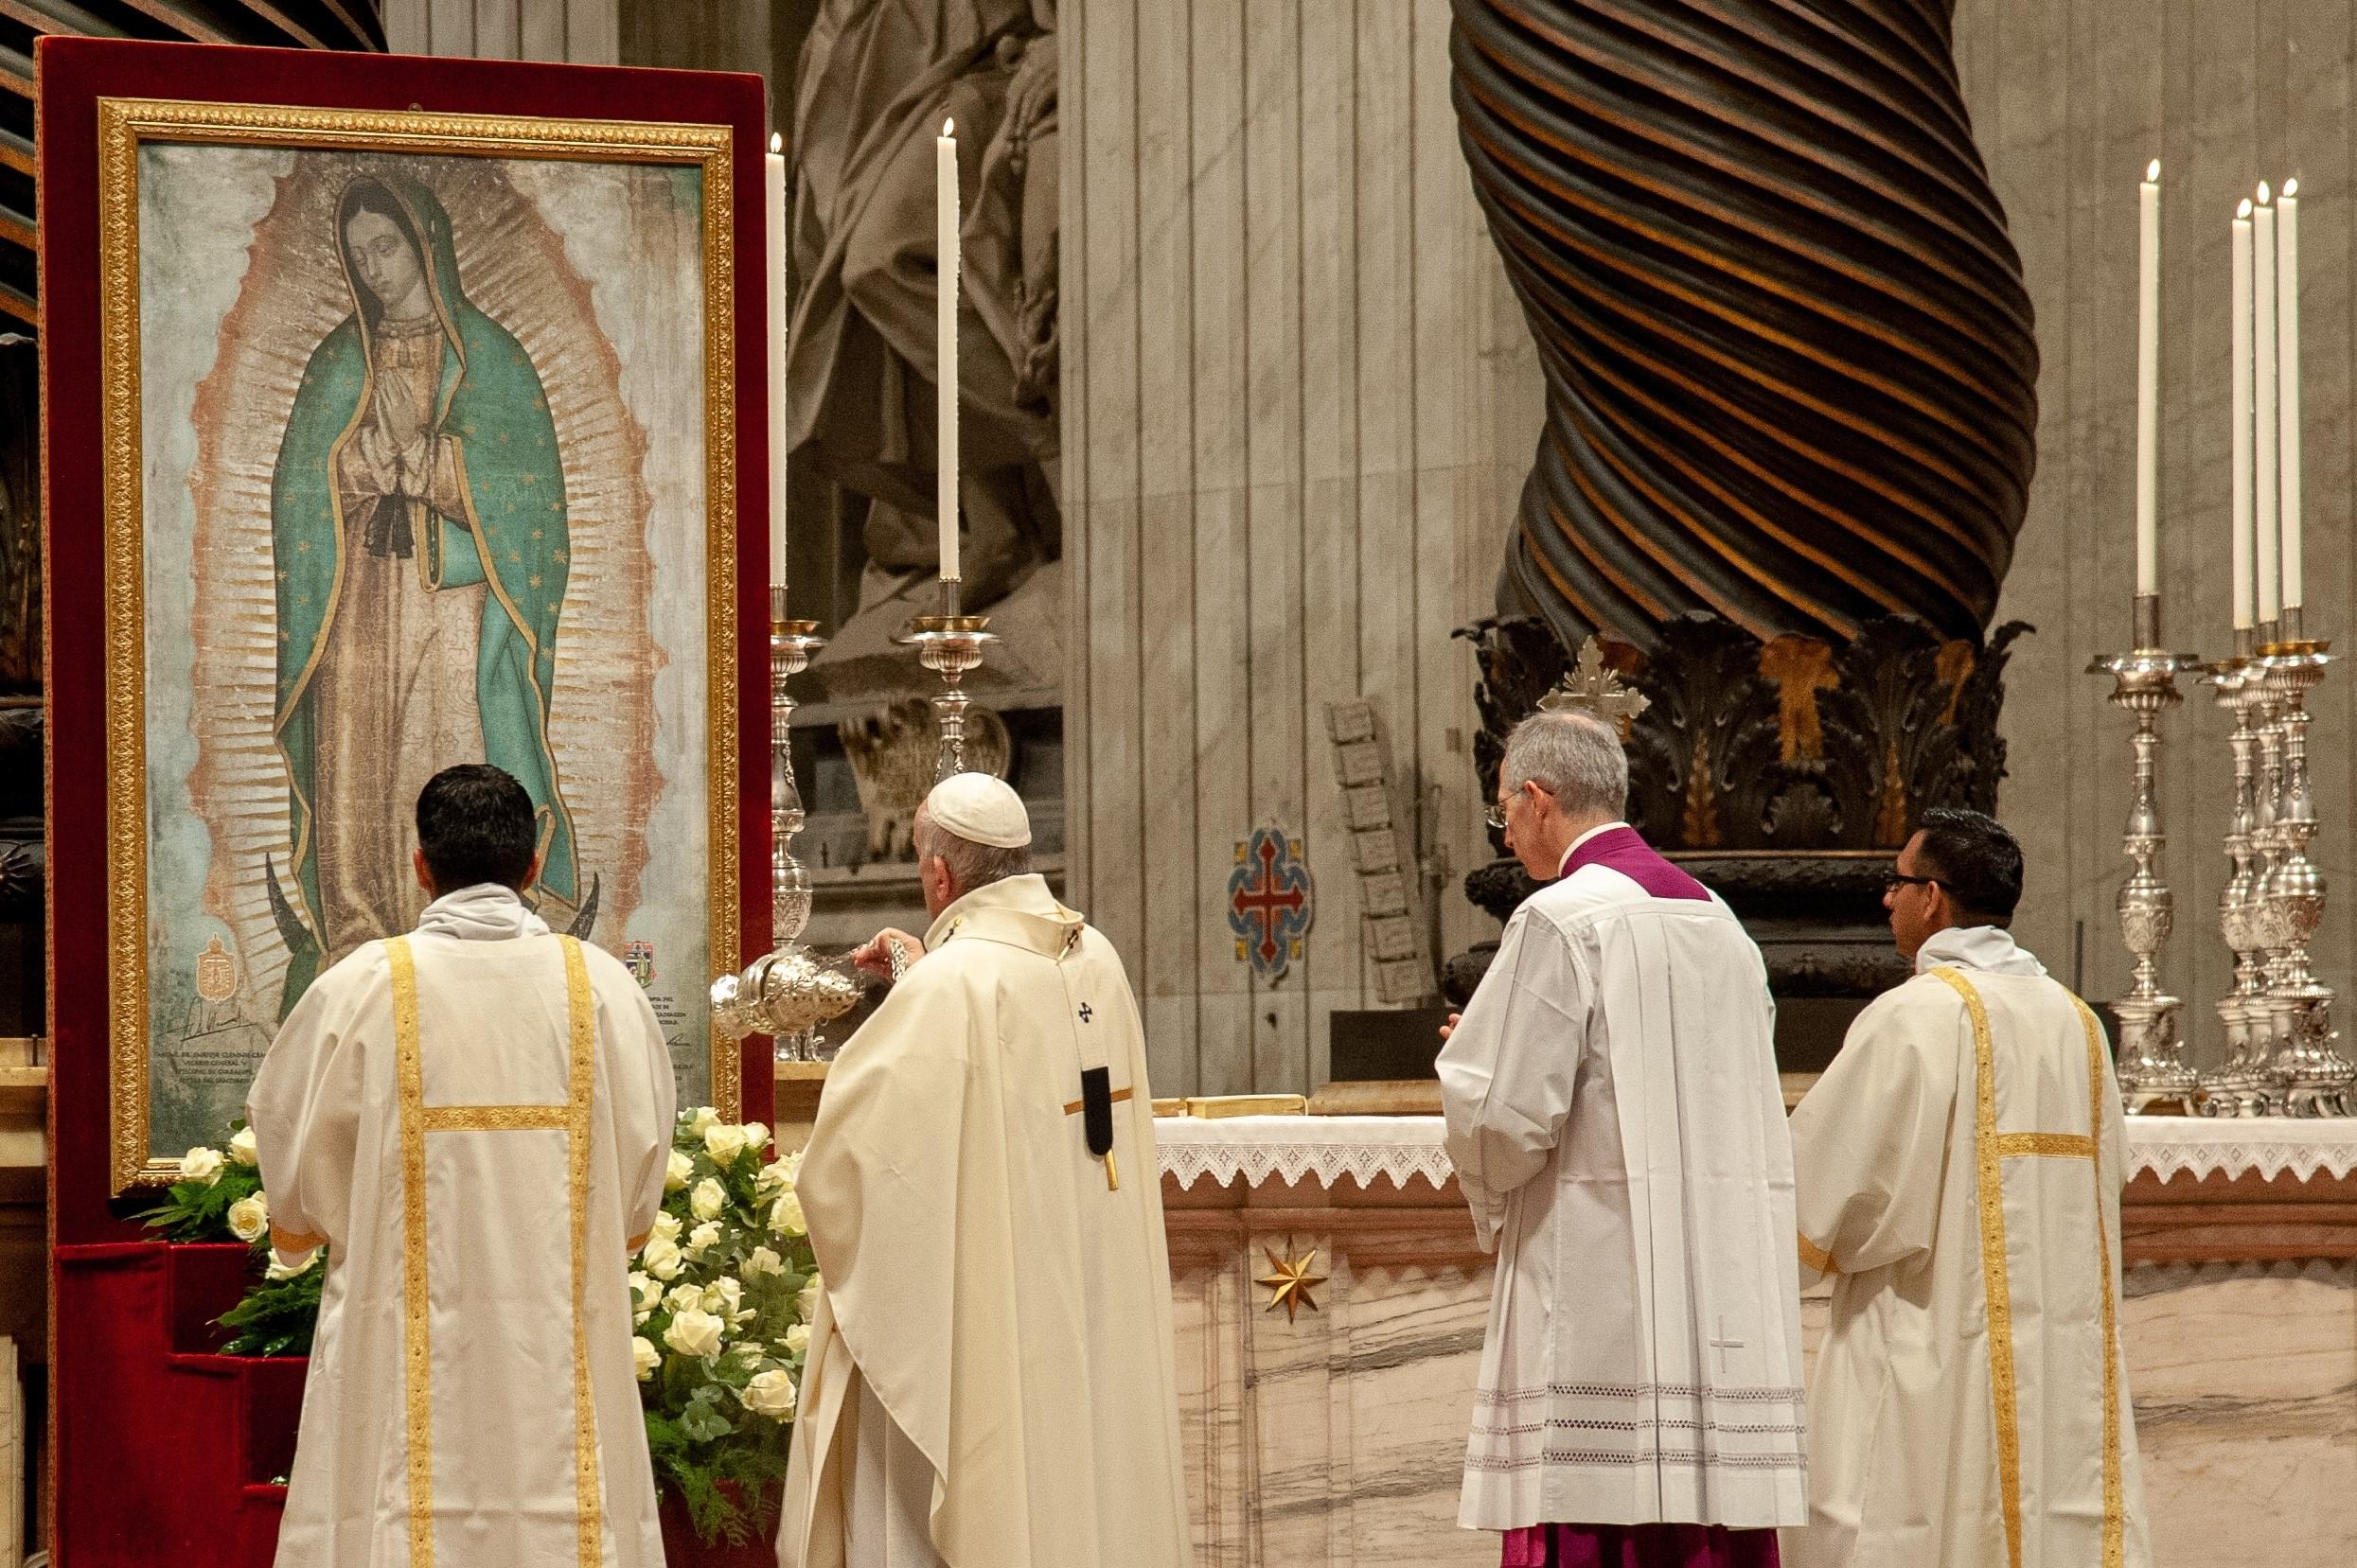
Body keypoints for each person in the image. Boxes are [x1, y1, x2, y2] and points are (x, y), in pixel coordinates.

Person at [247, 763, 675, 1566]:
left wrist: (321, 1224)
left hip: (391, 1335)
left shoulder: (357, 991)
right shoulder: (606, 992)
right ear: (534, 864)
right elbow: (637, 1185)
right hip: (566, 1346)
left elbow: (294, 1166)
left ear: (421, 864)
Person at [776, 771, 1191, 1568]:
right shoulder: (1093, 956)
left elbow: (851, 1166)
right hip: (1085, 1298)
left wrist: (922, 977)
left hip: (990, 1324)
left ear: (939, 875)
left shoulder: (952, 982)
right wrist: (924, 963)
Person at [1437, 709, 1805, 1568]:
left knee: (1600, 1489)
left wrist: (1468, 1058)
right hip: (1718, 1279)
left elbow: (1504, 1117)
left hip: (1598, 1274)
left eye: (1504, 812)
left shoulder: (1558, 918)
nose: (1508, 832)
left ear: (1538, 798)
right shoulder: (1720, 920)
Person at [1785, 808, 2148, 1568]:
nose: (1887, 898)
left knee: (1917, 1510)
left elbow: (1826, 1188)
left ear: (1934, 898)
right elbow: (2110, 1178)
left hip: (1928, 1334)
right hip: (2059, 1366)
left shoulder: (1914, 1017)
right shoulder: (2079, 1026)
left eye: (1899, 881)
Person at [270, 173, 580, 1013]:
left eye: (388, 247)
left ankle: (436, 930)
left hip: (450, 600)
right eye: (361, 253)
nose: (375, 268)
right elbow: (303, 482)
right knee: (357, 758)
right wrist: (366, 464)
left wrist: (437, 465)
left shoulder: (489, 358)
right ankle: (360, 937)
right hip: (361, 600)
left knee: (437, 743)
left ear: (425, 244)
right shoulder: (342, 360)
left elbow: (531, 498)